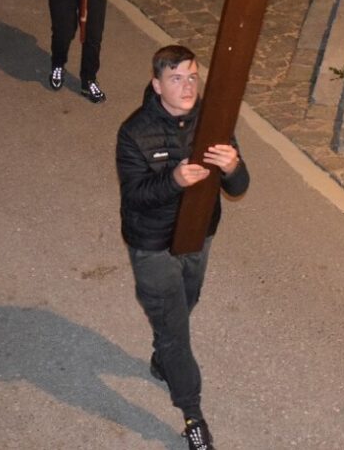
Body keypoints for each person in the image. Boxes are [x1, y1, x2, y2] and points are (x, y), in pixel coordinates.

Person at [116, 45, 249, 450]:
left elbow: (239, 186)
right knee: (175, 331)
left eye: (192, 76)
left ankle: (163, 356)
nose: (187, 86)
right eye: (176, 78)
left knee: (187, 302)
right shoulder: (134, 132)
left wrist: (233, 167)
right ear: (157, 85)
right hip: (152, 245)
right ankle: (192, 413)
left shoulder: (214, 121)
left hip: (198, 237)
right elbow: (135, 196)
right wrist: (173, 180)